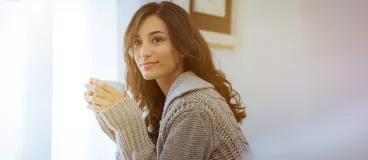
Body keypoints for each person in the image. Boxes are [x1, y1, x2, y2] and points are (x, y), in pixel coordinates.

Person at [84, 1, 250, 160]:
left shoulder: (193, 107)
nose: (143, 52)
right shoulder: (161, 102)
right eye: (137, 42)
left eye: (157, 39)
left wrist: (128, 125)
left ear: (183, 47)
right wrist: (114, 120)